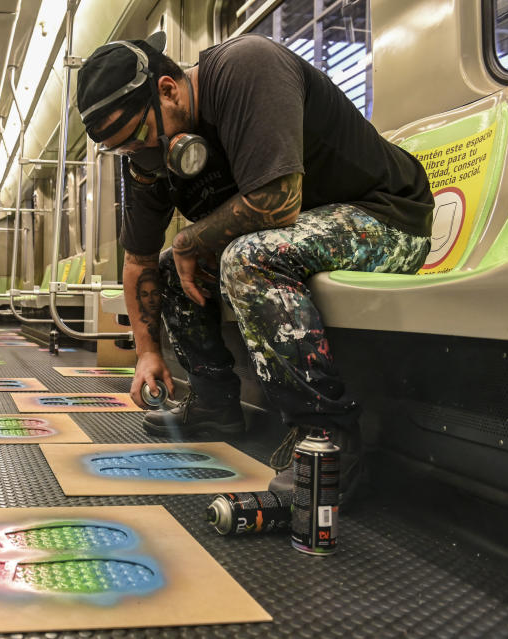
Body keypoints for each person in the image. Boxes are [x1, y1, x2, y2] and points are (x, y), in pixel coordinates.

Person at [76, 32, 433, 502]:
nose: (141, 157)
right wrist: (147, 352)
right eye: (125, 151)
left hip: (384, 218)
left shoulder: (246, 68)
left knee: (248, 256)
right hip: (302, 231)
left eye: (141, 137)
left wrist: (189, 239)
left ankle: (327, 442)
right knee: (168, 269)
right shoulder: (145, 159)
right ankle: (214, 404)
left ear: (168, 89)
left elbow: (277, 200)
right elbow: (137, 260)